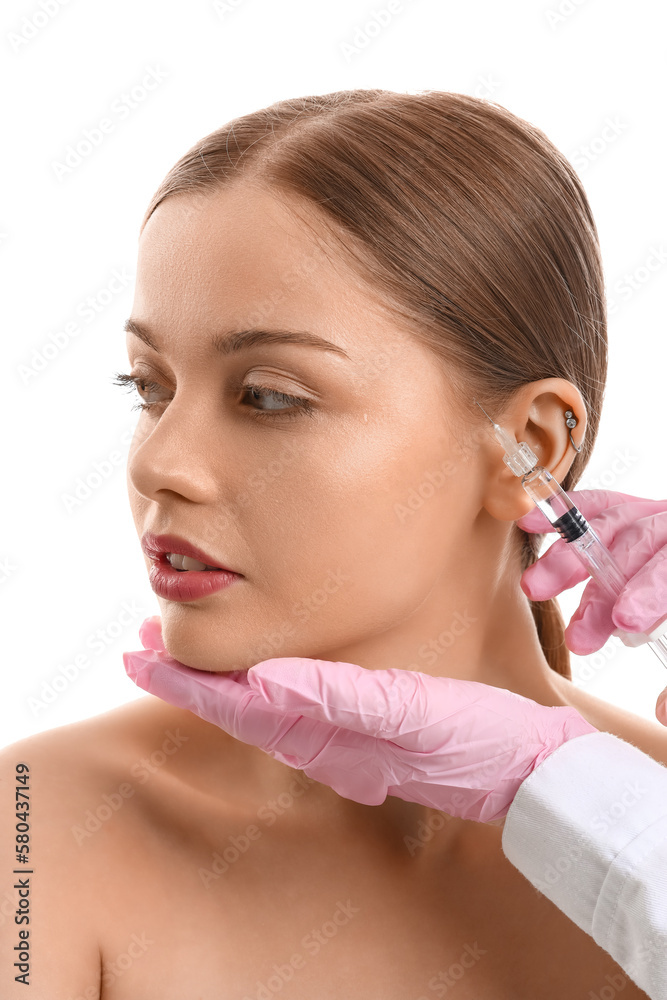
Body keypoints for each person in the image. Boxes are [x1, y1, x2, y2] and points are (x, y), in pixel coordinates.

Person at [2, 87, 665, 998]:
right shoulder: (36, 826)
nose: (160, 463)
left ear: (532, 449)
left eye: (268, 395)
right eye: (148, 386)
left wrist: (609, 828)